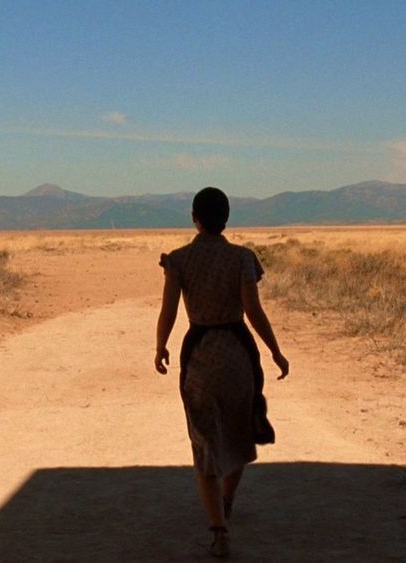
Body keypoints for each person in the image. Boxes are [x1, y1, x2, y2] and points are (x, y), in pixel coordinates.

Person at [154, 187, 289, 558]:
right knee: (236, 432)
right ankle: (226, 501)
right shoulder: (242, 258)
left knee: (204, 442)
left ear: (194, 218)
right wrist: (275, 350)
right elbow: (254, 311)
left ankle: (218, 530)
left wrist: (160, 346)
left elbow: (168, 312)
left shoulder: (178, 260)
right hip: (237, 357)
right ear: (226, 218)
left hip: (199, 359)